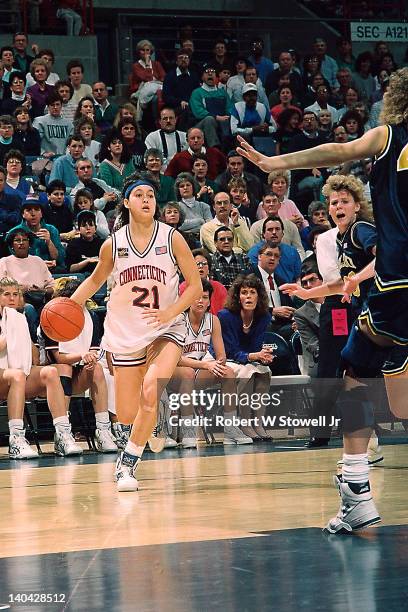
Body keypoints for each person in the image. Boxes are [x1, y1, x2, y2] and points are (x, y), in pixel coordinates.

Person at [236, 68, 408, 532]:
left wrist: (277, 164)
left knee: (355, 377)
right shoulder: (340, 239)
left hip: (398, 284)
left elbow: (339, 150)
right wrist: (316, 290)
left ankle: (356, 490)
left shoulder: (391, 135)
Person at [69, 171, 202, 491]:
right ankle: (138, 433)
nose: (147, 200)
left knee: (150, 390)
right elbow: (94, 282)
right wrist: (68, 305)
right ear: (126, 202)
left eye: (151, 196)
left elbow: (195, 287)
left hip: (166, 329)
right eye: (139, 195)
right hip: (126, 335)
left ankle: (127, 463)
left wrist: (171, 310)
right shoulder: (113, 245)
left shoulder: (172, 238)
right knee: (130, 411)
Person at [170, 279, 250, 448]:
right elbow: (176, 358)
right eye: (196, 297)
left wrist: (216, 364)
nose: (200, 301)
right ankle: (188, 431)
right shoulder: (178, 320)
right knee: (187, 373)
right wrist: (207, 365)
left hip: (198, 370)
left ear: (209, 302)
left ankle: (231, 428)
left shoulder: (213, 320)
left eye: (205, 297)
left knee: (227, 372)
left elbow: (221, 356)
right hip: (174, 371)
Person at [217, 274, 273, 439]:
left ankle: (258, 423)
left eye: (252, 292)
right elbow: (230, 350)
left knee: (265, 371)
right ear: (237, 297)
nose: (248, 296)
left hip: (248, 357)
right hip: (225, 357)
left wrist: (263, 357)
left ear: (259, 296)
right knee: (248, 372)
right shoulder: (225, 316)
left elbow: (257, 345)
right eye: (244, 292)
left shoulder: (264, 317)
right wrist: (254, 356)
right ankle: (244, 422)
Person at [247, 216, 302, 283]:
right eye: (270, 229)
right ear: (263, 234)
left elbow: (298, 277)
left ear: (282, 233)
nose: (274, 232)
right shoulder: (254, 252)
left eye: (277, 229)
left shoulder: (292, 251)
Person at [179, 248, 227, 315]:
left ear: (209, 268)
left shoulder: (219, 288)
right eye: (197, 264)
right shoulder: (183, 287)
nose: (201, 266)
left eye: (204, 264)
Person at [144, 107, 187, 171]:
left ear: (176, 119)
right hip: (160, 174)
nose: (168, 121)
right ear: (160, 121)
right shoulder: (152, 137)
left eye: (171, 118)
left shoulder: (185, 136)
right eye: (165, 119)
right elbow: (151, 160)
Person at [33, 92, 74, 156]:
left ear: (61, 105)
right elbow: (34, 142)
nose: (55, 107)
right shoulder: (39, 121)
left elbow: (72, 143)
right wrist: (43, 153)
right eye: (52, 105)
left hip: (64, 158)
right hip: (45, 159)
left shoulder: (69, 124)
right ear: (48, 106)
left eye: (57, 104)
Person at [65, 210, 104, 274]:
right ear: (79, 229)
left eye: (91, 225)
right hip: (80, 276)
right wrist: (87, 261)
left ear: (95, 228)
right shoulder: (73, 245)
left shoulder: (102, 244)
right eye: (84, 225)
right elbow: (71, 269)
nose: (88, 228)